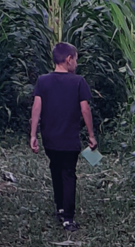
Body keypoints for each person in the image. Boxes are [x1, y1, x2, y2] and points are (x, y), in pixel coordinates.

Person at [30, 42, 97, 231]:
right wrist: (91, 135)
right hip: (70, 139)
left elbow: (36, 108)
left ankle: (59, 207)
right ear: (69, 60)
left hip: (50, 139)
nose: (76, 63)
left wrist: (33, 134)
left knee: (55, 169)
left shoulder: (43, 81)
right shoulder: (78, 82)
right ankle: (68, 218)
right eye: (75, 60)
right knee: (68, 173)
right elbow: (85, 109)